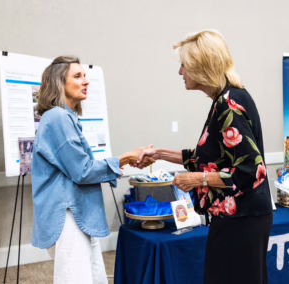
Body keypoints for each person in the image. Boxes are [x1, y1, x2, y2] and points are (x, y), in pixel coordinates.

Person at [136, 30, 273, 284]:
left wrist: (198, 179)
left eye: (183, 65)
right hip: (239, 217)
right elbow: (206, 157)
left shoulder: (228, 102)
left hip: (242, 220)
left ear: (201, 66)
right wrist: (159, 154)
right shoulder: (225, 98)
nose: (180, 72)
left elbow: (251, 172)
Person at [31, 55, 153, 284]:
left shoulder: (67, 118)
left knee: (95, 277)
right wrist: (126, 157)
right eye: (77, 76)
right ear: (59, 82)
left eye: (85, 76)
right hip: (67, 215)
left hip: (78, 213)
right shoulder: (57, 118)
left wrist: (124, 160)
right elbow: (82, 170)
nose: (86, 81)